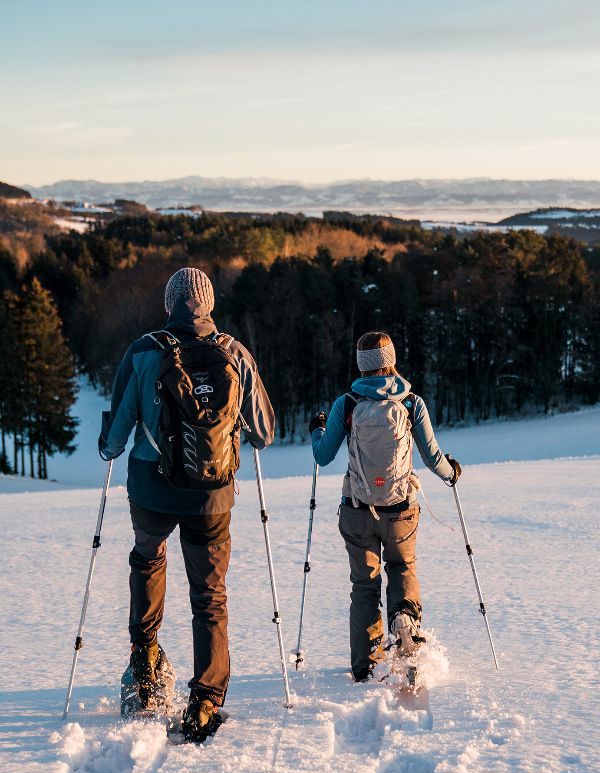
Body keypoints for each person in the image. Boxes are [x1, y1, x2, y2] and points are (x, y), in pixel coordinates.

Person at [99, 267, 274, 740]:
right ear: (209, 304)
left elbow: (115, 439)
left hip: (152, 490)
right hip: (212, 497)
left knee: (147, 559)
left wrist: (107, 444)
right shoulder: (234, 353)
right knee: (210, 594)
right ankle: (205, 699)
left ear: (169, 304)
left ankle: (145, 661)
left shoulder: (143, 351)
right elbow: (264, 433)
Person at [309, 331, 461, 682]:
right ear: (392, 360)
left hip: (357, 509)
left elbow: (323, 454)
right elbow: (432, 456)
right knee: (402, 568)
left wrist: (317, 429)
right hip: (401, 510)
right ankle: (405, 619)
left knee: (364, 585)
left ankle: (364, 666)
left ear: (362, 365)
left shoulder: (346, 404)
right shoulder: (411, 403)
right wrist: (451, 472)